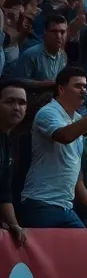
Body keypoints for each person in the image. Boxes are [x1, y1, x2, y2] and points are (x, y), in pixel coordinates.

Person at [22, 67, 87, 230]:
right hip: (40, 203)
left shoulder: (77, 119)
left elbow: (76, 178)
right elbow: (65, 137)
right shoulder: (48, 112)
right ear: (61, 89)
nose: (83, 91)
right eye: (78, 86)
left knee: (80, 253)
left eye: (85, 86)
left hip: (66, 207)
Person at [0, 82, 28, 245]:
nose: (17, 107)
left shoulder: (9, 142)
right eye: (10, 102)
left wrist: (14, 224)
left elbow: (4, 190)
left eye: (22, 103)